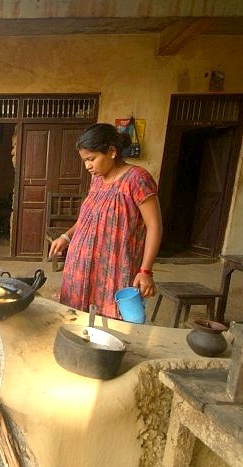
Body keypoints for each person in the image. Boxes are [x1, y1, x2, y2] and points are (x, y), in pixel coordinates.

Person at [48, 123, 162, 320]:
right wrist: (66, 236)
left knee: (113, 325)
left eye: (91, 159)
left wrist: (145, 271)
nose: (87, 166)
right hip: (80, 266)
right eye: (84, 161)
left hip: (114, 268)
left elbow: (155, 226)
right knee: (77, 321)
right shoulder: (98, 180)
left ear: (111, 152)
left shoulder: (137, 179)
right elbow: (89, 218)